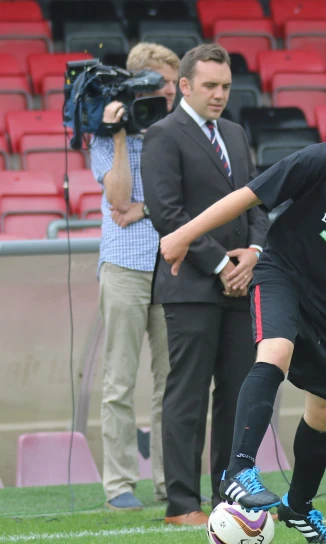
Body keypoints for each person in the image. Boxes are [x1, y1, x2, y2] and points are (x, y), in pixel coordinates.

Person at [159, 71, 326, 543]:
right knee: (276, 350)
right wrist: (183, 235)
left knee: (324, 409)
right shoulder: (320, 159)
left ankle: (299, 506)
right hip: (281, 276)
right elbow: (246, 197)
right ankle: (237, 472)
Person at [141, 44, 269, 526]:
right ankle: (181, 504)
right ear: (185, 87)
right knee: (188, 395)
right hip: (191, 287)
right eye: (210, 86)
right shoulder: (162, 135)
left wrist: (253, 255)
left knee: (238, 395)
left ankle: (228, 496)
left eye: (225, 87)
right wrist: (222, 265)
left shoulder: (235, 133)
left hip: (242, 282)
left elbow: (257, 202)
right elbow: (167, 214)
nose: (219, 95)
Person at [91, 43, 179, 511]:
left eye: (170, 82)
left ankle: (172, 484)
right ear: (134, 84)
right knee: (118, 381)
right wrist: (122, 133)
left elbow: (188, 202)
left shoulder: (181, 132)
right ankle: (119, 484)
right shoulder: (104, 137)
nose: (165, 91)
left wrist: (149, 209)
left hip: (171, 264)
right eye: (156, 82)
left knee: (173, 382)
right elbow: (119, 200)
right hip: (124, 265)